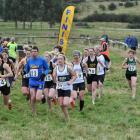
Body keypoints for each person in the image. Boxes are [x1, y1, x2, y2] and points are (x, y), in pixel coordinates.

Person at [25, 46, 49, 114]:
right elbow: (27, 70)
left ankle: (42, 96)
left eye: (35, 51)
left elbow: (47, 69)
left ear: (38, 52)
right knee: (32, 97)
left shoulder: (42, 60)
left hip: (40, 81)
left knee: (37, 99)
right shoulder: (29, 60)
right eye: (32, 51)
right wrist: (27, 73)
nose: (33, 53)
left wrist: (44, 74)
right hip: (32, 81)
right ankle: (33, 111)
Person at [53, 54, 76, 121]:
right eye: (58, 59)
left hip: (67, 87)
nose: (59, 60)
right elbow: (54, 78)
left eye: (61, 59)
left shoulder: (68, 68)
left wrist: (71, 81)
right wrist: (55, 80)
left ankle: (71, 99)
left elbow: (74, 76)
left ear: (64, 60)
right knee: (61, 104)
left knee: (65, 104)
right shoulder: (56, 68)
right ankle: (67, 117)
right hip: (60, 88)